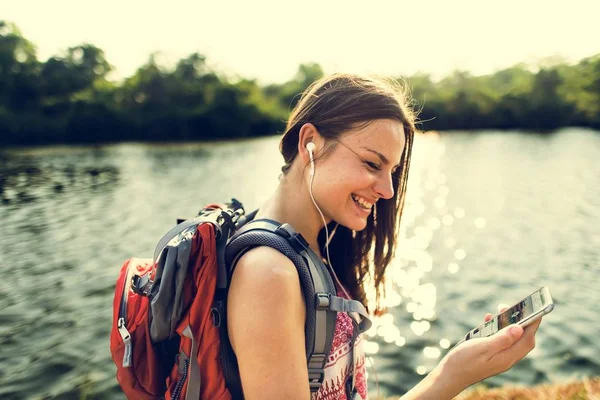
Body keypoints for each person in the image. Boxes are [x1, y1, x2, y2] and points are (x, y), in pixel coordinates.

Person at [226, 73, 542, 400]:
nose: (388, 190)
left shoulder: (315, 245)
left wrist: (456, 370)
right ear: (311, 142)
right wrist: (452, 376)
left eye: (391, 171)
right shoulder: (268, 273)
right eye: (372, 163)